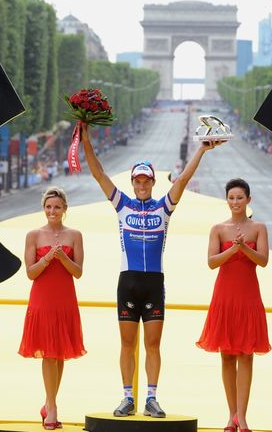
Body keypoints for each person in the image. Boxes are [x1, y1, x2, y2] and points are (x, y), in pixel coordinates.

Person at [81, 121, 221, 418]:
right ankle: (127, 398)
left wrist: (201, 150)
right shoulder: (123, 205)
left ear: (153, 182)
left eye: (146, 181)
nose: (142, 185)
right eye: (138, 181)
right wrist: (86, 140)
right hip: (128, 282)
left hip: (154, 284)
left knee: (153, 345)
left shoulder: (163, 208)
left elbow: (182, 180)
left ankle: (152, 399)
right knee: (127, 344)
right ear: (132, 183)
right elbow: (99, 174)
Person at [196, 178, 270, 432]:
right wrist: (233, 249)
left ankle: (243, 417)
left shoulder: (259, 228)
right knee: (227, 356)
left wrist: (244, 248)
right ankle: (232, 416)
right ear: (226, 200)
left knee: (246, 356)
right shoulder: (218, 229)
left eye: (240, 198)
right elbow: (211, 262)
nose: (235, 202)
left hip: (249, 297)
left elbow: (263, 260)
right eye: (231, 198)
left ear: (249, 200)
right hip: (224, 297)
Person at [18, 187, 86, 430]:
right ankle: (53, 406)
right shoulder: (33, 235)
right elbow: (30, 273)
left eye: (57, 207)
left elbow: (78, 272)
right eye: (48, 207)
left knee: (59, 354)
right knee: (48, 353)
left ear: (64, 208)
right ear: (43, 208)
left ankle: (49, 403)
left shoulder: (75, 235)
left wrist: (63, 258)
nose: (52, 211)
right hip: (42, 299)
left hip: (65, 299)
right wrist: (47, 258)